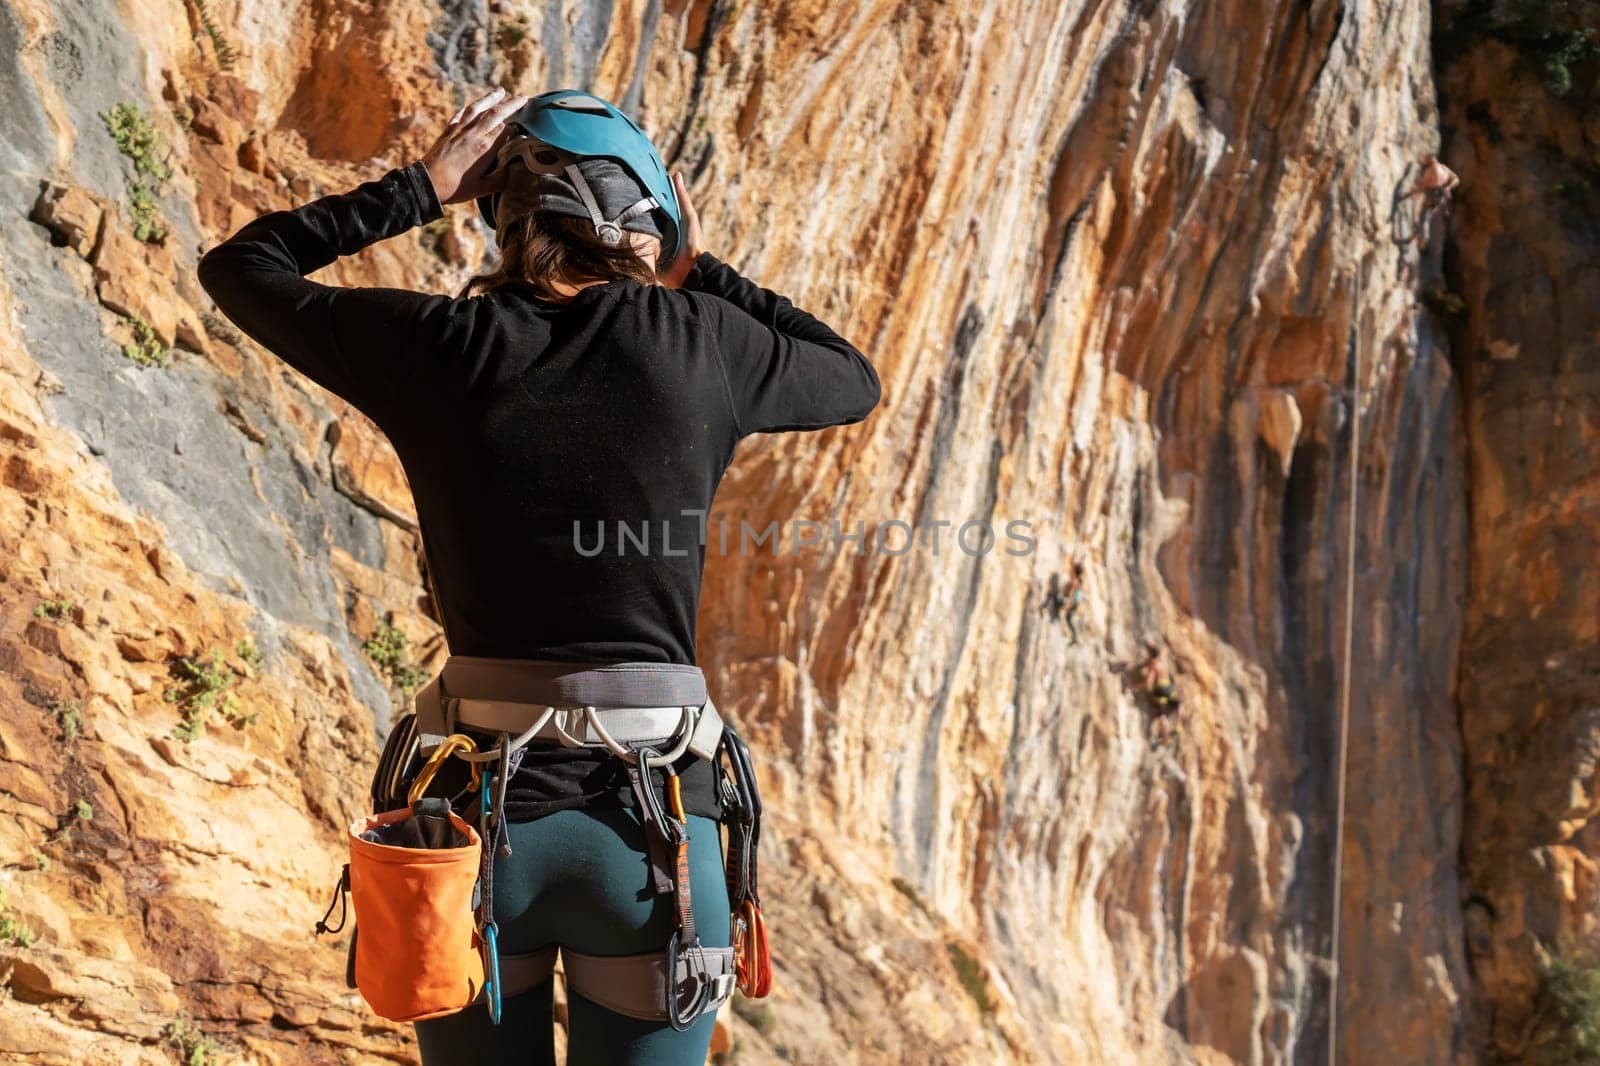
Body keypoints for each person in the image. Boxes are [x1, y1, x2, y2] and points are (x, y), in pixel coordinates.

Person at [199, 86, 880, 1066]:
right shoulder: (704, 345)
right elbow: (849, 374)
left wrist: (422, 186)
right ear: (648, 222)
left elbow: (242, 268)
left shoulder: (439, 346)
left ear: (510, 219)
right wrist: (697, 267)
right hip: (653, 836)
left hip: (472, 825)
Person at [1401, 153, 1459, 251]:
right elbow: (1456, 179)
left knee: (1424, 216)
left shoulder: (1430, 170)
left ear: (1428, 161)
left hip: (1432, 194)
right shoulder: (1444, 168)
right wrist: (1448, 187)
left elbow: (1422, 187)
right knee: (1426, 215)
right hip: (1440, 196)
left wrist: (1408, 194)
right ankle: (1414, 236)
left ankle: (1424, 238)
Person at [1137, 640, 1181, 747]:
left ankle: (1167, 739)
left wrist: (1135, 686)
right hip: (1168, 686)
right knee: (1178, 703)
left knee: (1160, 715)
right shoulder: (1163, 661)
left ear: (1149, 653)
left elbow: (1149, 682)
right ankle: (1179, 723)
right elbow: (1163, 650)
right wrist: (1152, 644)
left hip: (1159, 690)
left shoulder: (1154, 665)